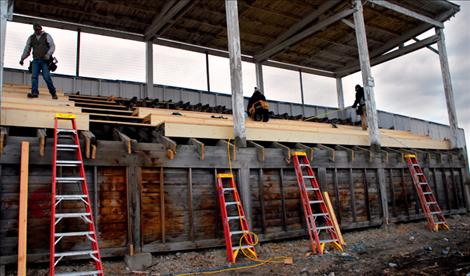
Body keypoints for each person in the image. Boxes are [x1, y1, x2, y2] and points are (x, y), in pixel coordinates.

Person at [19, 23, 57, 99]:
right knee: (34, 77)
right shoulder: (31, 38)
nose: (37, 31)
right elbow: (27, 49)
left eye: (38, 29)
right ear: (34, 30)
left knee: (46, 77)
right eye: (36, 30)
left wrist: (48, 54)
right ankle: (34, 92)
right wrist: (22, 58)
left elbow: (52, 46)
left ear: (41, 28)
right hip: (36, 60)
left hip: (45, 61)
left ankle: (53, 93)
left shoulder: (46, 36)